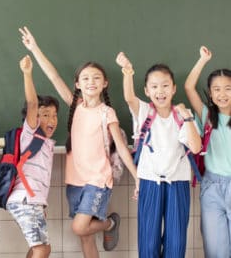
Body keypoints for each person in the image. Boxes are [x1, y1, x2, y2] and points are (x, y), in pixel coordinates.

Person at [20, 26, 138, 258]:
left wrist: (138, 178)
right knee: (86, 239)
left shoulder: (107, 113)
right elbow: (53, 75)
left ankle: (110, 225)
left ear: (105, 83)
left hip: (98, 180)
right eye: (85, 78)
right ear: (77, 84)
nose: (90, 82)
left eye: (96, 78)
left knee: (79, 227)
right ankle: (106, 227)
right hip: (74, 181)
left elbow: (122, 149)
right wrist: (34, 48)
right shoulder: (75, 107)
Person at [116, 52, 201, 258]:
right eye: (154, 86)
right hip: (149, 182)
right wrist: (127, 71)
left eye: (165, 85)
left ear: (173, 88)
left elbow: (196, 148)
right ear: (146, 91)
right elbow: (128, 96)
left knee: (176, 241)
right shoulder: (144, 111)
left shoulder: (182, 115)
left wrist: (188, 117)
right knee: (149, 240)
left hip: (178, 183)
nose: (160, 91)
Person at [6, 54, 59, 258]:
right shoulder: (30, 134)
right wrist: (27, 74)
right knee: (41, 249)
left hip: (33, 201)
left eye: (54, 115)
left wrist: (41, 204)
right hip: (24, 200)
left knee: (44, 247)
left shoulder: (47, 144)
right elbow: (32, 103)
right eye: (45, 115)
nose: (51, 119)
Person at [184, 46, 231, 258]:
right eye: (217, 89)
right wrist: (202, 60)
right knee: (216, 251)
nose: (222, 94)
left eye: (228, 88)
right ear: (210, 94)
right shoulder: (207, 117)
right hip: (212, 188)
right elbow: (188, 87)